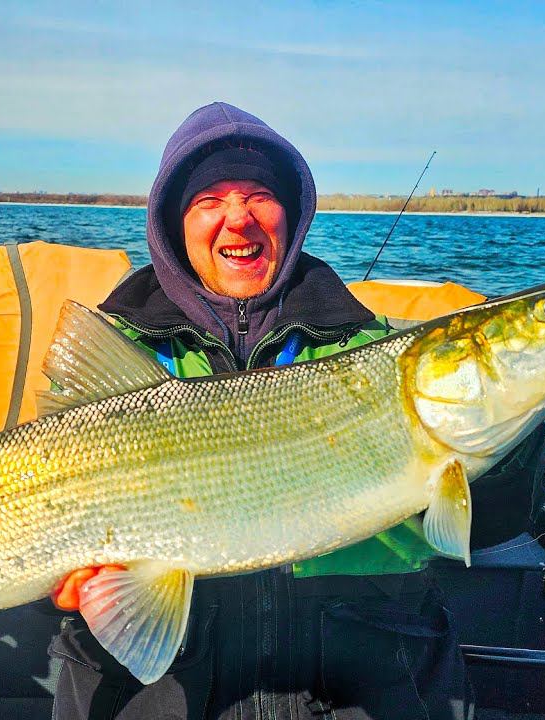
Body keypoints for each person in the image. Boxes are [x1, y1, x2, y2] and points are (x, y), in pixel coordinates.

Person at [46, 102, 487, 720]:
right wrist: (60, 582)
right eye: (208, 201)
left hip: (359, 685)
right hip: (168, 692)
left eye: (258, 195)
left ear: (291, 214)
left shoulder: (373, 353)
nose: (237, 219)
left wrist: (518, 427)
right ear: (174, 224)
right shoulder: (120, 356)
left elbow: (490, 522)